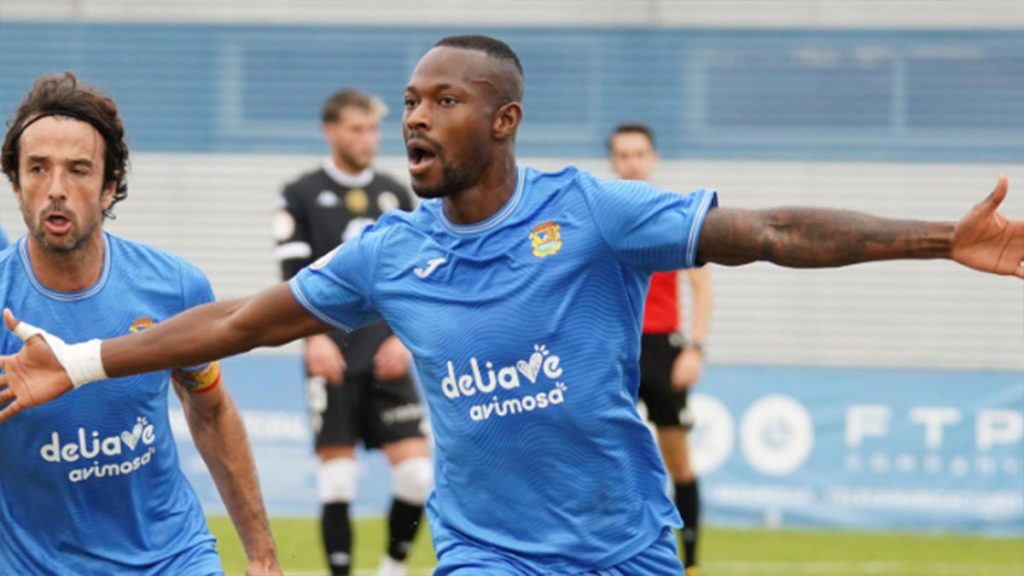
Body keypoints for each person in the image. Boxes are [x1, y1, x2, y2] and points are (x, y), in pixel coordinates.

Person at [1, 36, 1022, 575]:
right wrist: (82, 361)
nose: (412, 117)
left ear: (504, 117)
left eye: (439, 101)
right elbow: (236, 324)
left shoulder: (592, 212)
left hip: (622, 543)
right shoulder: (386, 255)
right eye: (406, 101)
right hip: (485, 552)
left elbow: (766, 233)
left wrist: (942, 238)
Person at [0, 72, 281, 575]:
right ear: (17, 185)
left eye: (79, 170)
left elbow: (212, 413)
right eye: (38, 169)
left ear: (110, 188)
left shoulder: (173, 288)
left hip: (172, 560)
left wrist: (261, 553)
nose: (56, 189)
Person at [275, 88, 431, 576]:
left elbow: (415, 275)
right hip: (332, 352)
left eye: (373, 129)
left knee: (417, 476)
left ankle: (391, 567)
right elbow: (293, 273)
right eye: (357, 129)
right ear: (331, 131)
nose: (369, 139)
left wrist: (403, 338)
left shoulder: (395, 191)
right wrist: (312, 338)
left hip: (386, 350)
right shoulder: (300, 193)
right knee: (338, 479)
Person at [609, 123, 711, 575]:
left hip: (662, 349)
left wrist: (695, 348)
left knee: (678, 462)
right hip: (611, 351)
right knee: (605, 461)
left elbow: (702, 289)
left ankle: (689, 564)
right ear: (613, 161)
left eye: (639, 153)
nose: (632, 162)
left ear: (654, 159)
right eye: (623, 154)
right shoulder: (600, 215)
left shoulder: (672, 215)